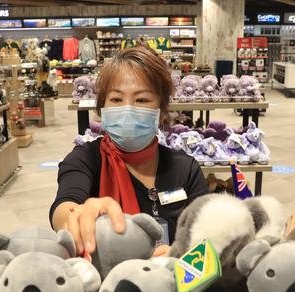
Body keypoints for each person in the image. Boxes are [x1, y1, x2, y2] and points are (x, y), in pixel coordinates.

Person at [50, 46, 208, 255]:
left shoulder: (185, 167)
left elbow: (206, 233)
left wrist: (177, 259)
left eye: (141, 100)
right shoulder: (85, 159)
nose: (127, 110)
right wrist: (76, 215)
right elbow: (64, 205)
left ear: (161, 112)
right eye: (116, 99)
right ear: (102, 108)